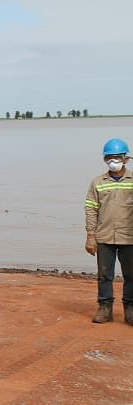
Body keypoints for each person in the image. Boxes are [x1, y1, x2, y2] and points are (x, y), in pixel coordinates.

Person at [84, 138, 133, 325]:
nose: (113, 161)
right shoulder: (97, 182)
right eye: (109, 158)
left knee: (131, 275)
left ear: (125, 159)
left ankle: (130, 308)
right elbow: (90, 209)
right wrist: (90, 236)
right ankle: (105, 308)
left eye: (116, 158)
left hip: (129, 237)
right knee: (104, 275)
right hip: (104, 237)